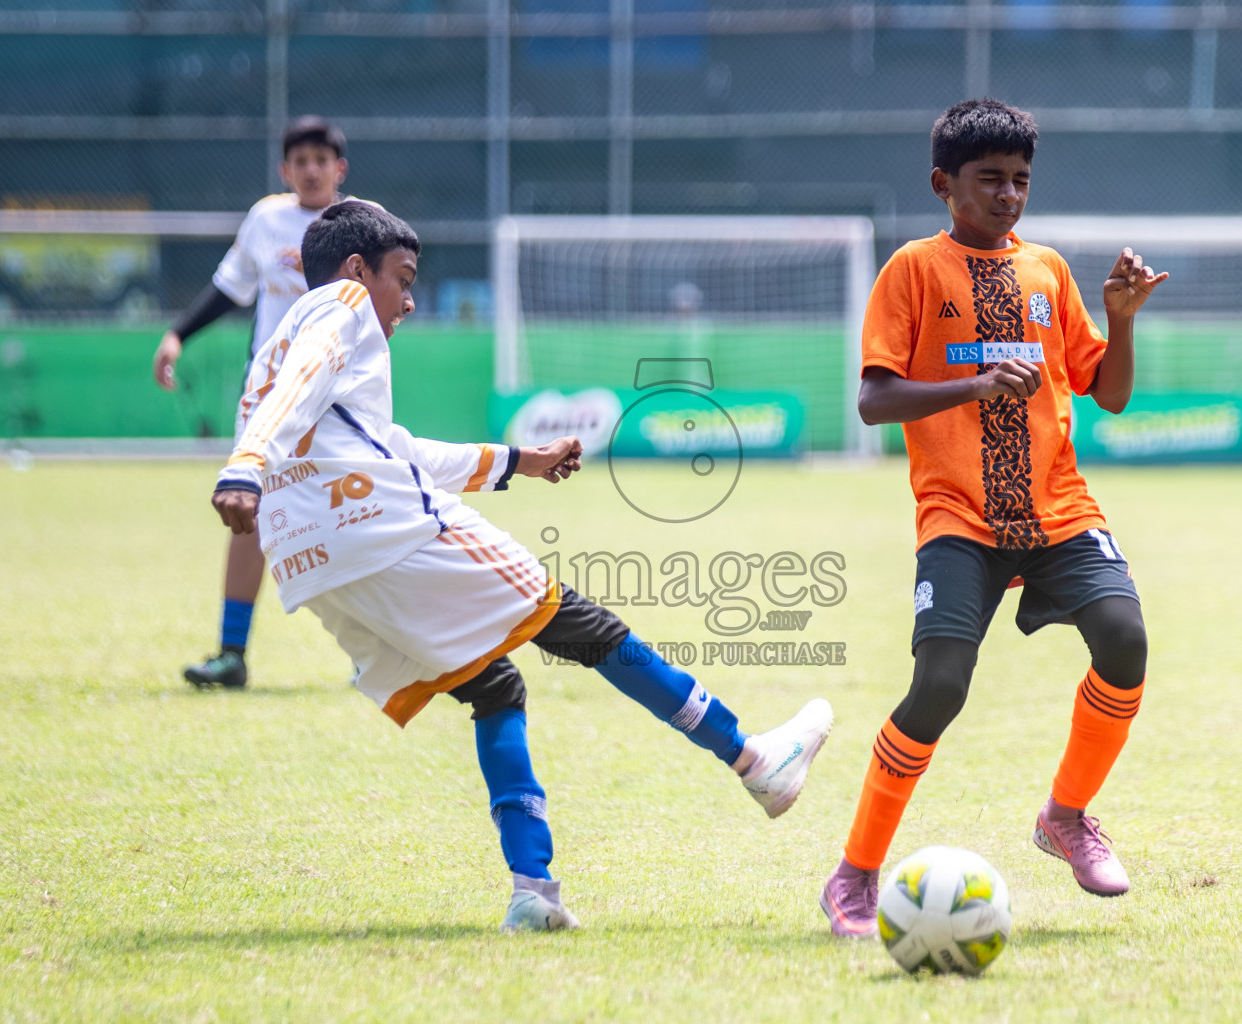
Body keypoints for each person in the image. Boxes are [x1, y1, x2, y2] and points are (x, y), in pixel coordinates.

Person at [210, 201, 834, 931]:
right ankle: (754, 759)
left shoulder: (280, 342)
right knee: (577, 622)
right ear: (356, 271)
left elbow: (392, 448)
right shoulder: (341, 308)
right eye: (402, 279)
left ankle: (533, 893)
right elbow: (315, 402)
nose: (409, 301)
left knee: (496, 686)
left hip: (316, 566)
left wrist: (517, 462)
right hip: (383, 529)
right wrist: (245, 466)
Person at [820, 98, 1168, 937]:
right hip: (959, 520)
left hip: (1060, 510)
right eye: (990, 181)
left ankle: (1067, 817)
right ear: (945, 185)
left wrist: (1120, 322)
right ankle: (855, 875)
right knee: (938, 687)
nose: (1009, 195)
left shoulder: (1047, 270)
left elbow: (1108, 393)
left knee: (1125, 641)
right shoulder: (912, 268)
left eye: (1020, 181)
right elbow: (874, 401)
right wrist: (972, 385)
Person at [154, 116, 358, 689]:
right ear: (284, 169)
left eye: (322, 158)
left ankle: (375, 654)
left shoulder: (361, 223)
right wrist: (178, 335)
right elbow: (230, 287)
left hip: (338, 399)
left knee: (355, 513)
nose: (312, 168)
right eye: (301, 159)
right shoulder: (267, 219)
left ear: (339, 169)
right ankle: (231, 653)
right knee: (249, 514)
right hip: (269, 399)